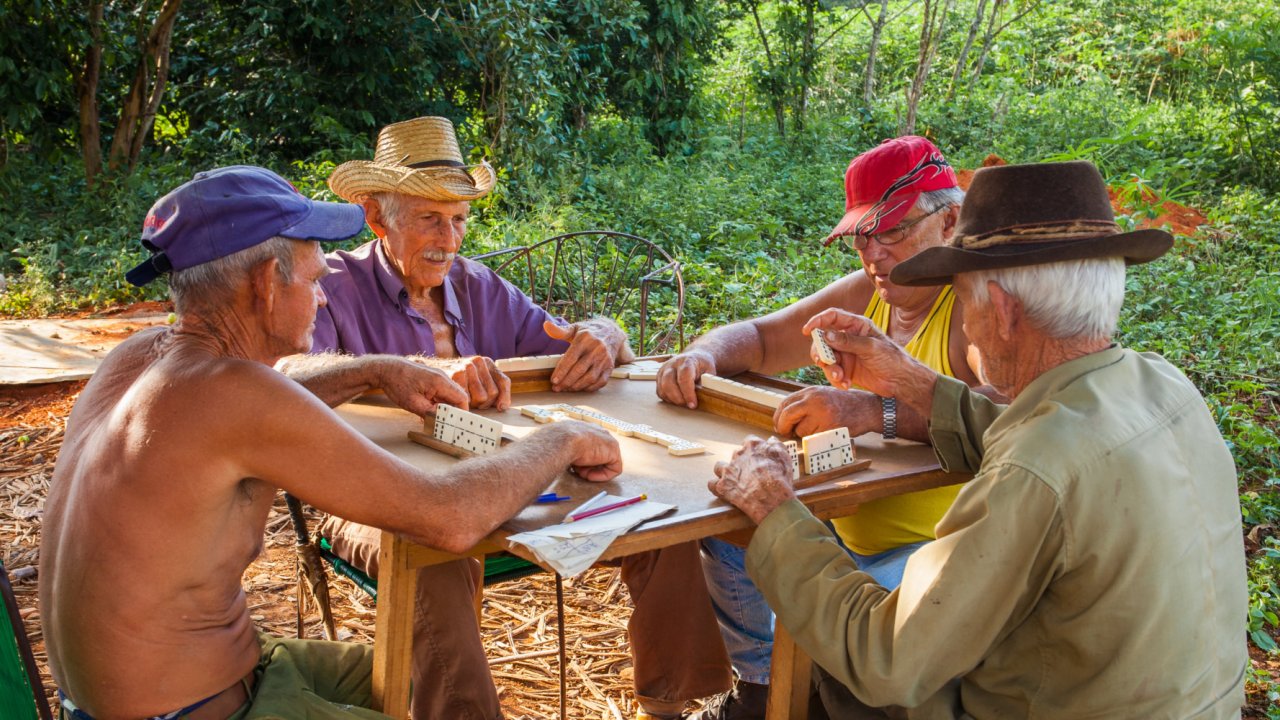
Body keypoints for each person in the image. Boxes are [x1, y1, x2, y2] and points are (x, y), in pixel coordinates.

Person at [39, 165, 624, 720]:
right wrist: (563, 440)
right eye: (317, 281)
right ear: (268, 284)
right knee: (447, 691)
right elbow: (448, 518)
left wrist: (375, 369)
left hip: (153, 686)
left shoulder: (136, 358)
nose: (323, 299)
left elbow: (262, 394)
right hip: (192, 708)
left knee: (439, 682)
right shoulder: (236, 393)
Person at [709, 160, 1247, 718]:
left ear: (1006, 310)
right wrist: (912, 382)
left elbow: (886, 657)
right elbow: (1038, 435)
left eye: (965, 299)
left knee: (840, 661)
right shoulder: (1163, 382)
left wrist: (776, 511)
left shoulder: (1034, 469)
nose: (962, 314)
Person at [279, 116, 731, 720]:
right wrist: (391, 369)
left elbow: (577, 341)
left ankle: (671, 704)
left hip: (506, 483)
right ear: (376, 217)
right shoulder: (332, 285)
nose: (450, 237)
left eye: (459, 218)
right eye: (429, 218)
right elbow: (284, 372)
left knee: (657, 515)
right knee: (436, 551)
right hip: (373, 496)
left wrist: (602, 333)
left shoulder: (478, 286)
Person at [656, 136, 986, 719]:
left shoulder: (974, 310)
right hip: (842, 525)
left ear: (950, 221)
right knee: (727, 516)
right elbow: (762, 336)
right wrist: (702, 354)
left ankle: (803, 688)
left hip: (933, 553)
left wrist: (869, 410)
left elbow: (1003, 413)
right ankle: (763, 688)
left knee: (857, 647)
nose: (873, 255)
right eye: (862, 236)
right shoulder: (871, 292)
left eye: (891, 232)